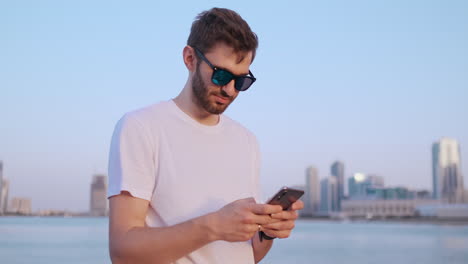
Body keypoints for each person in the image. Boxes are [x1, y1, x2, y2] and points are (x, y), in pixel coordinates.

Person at [107, 7, 304, 264]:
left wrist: (267, 232)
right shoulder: (141, 127)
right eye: (221, 75)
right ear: (190, 58)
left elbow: (249, 254)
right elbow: (123, 251)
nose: (230, 90)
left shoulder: (246, 141)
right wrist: (213, 226)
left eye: (241, 81)